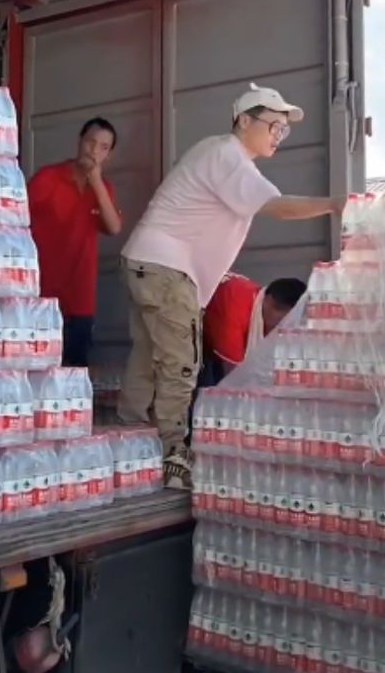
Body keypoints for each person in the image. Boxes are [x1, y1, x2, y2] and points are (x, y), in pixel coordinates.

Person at [117, 81, 345, 489]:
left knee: (149, 358)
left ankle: (128, 441)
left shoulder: (223, 156)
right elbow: (277, 207)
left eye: (284, 130)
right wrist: (334, 204)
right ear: (244, 120)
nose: (279, 135)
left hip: (147, 262)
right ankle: (174, 457)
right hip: (168, 267)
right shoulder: (227, 156)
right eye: (274, 125)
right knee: (179, 363)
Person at [28, 118, 122, 368]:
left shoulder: (104, 189)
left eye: (103, 147)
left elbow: (114, 228)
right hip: (42, 294)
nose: (94, 150)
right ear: (79, 142)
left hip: (80, 299)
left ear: (109, 155)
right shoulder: (48, 178)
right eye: (90, 142)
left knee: (74, 374)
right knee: (39, 371)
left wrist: (96, 182)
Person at [202, 273, 307, 381]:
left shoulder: (262, 305)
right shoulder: (235, 307)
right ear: (269, 302)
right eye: (287, 320)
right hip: (196, 333)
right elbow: (234, 378)